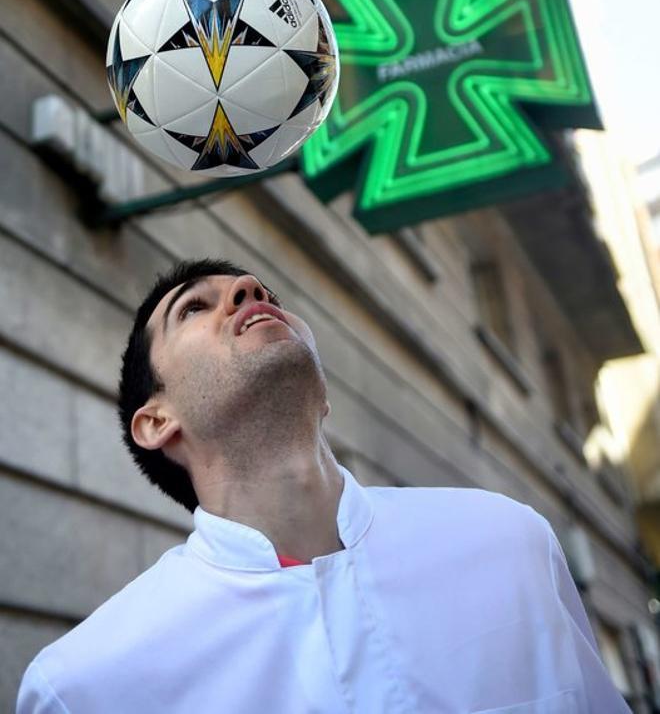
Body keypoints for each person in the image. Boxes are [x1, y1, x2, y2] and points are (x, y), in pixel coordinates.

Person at [17, 258, 632, 713]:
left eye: (260, 291)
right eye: (194, 309)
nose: (248, 290)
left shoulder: (510, 543)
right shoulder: (86, 686)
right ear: (156, 422)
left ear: (324, 395)